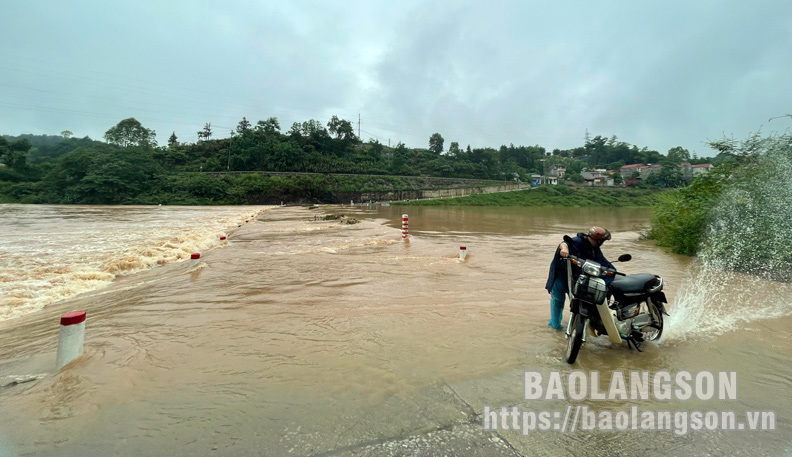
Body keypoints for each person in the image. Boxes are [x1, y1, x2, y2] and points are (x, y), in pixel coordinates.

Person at [544, 227, 614, 330]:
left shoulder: (595, 250)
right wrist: (564, 249)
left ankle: (578, 326)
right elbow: (563, 244)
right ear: (599, 241)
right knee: (558, 300)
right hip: (560, 275)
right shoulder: (578, 241)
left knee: (576, 300)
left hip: (576, 277)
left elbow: (603, 263)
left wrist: (612, 272)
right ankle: (555, 327)